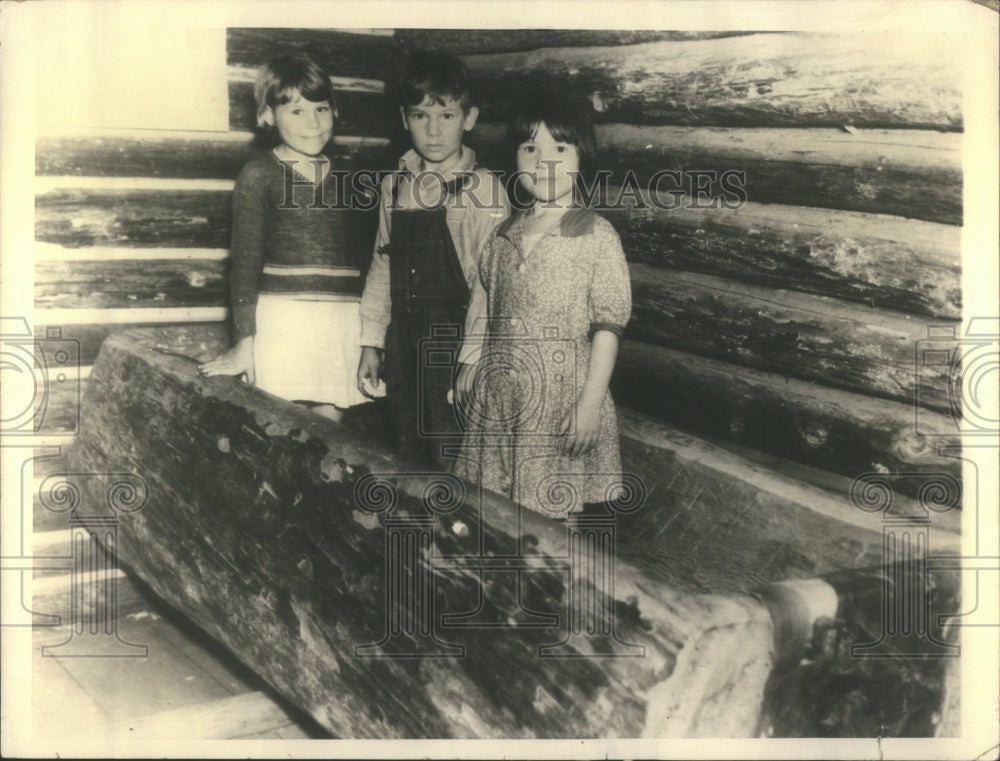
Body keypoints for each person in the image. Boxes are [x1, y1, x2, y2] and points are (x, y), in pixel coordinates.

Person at [455, 93, 632, 516]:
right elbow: (484, 300)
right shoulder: (502, 236)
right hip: (502, 398)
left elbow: (608, 327)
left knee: (554, 519)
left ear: (582, 156)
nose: (544, 162)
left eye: (560, 148)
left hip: (562, 404)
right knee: (496, 514)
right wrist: (471, 358)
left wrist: (589, 404)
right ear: (515, 157)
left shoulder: (596, 234)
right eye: (530, 148)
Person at [356, 49, 507, 467]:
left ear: (469, 118)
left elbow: (488, 286)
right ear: (405, 120)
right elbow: (383, 263)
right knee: (407, 448)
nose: (434, 130)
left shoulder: (485, 190)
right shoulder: (395, 184)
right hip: (403, 342)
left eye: (447, 116)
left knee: (453, 453)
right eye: (421, 116)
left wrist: (472, 359)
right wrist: (372, 342)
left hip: (456, 344)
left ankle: (456, 531)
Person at [200, 54, 368, 421]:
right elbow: (244, 264)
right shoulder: (258, 175)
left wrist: (370, 338)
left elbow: (369, 263)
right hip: (281, 321)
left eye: (321, 109)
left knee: (333, 436)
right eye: (296, 112)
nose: (313, 123)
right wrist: (245, 344)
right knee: (280, 428)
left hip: (340, 322)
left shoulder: (353, 177)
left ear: (334, 111)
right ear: (267, 115)